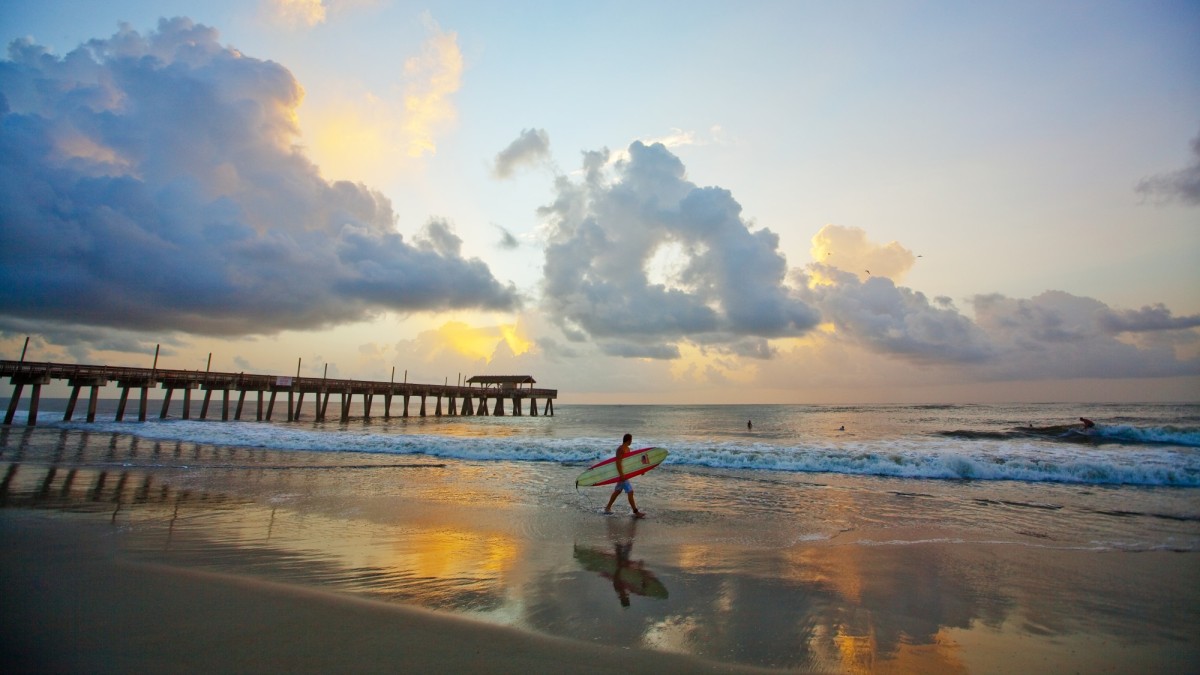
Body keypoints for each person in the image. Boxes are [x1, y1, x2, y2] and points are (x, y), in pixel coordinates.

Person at [604, 433, 644, 517]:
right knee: (630, 491)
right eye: (631, 440)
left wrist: (640, 470)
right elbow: (618, 462)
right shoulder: (620, 449)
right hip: (621, 474)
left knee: (617, 491)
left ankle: (607, 508)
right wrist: (621, 474)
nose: (631, 442)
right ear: (628, 440)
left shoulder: (628, 449)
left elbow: (630, 463)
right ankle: (636, 512)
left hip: (624, 474)